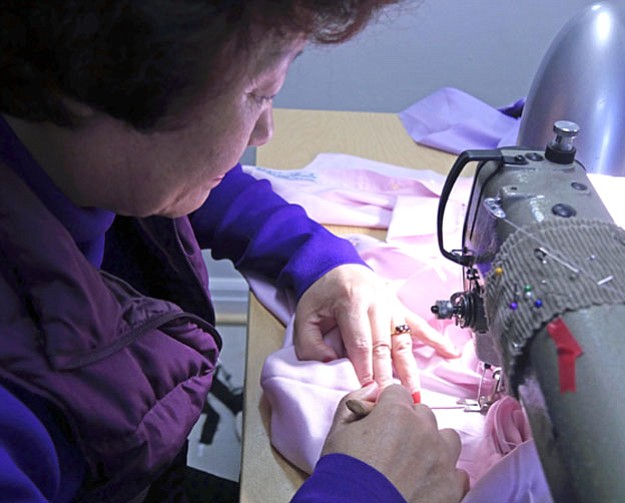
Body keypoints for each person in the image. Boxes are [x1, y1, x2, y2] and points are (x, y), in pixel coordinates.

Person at [0, 1, 469, 502]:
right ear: (98, 79)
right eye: (258, 93)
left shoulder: (62, 147)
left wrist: (320, 262)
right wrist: (363, 489)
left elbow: (203, 185)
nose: (266, 131)